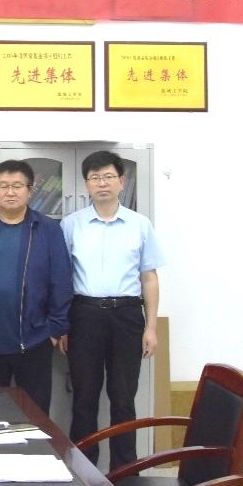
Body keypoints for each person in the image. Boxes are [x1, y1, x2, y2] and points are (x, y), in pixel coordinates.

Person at [61, 150, 165, 468]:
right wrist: (62, 326)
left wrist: (151, 327)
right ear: (86, 184)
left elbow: (149, 278)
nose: (102, 183)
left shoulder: (140, 225)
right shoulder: (71, 225)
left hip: (127, 316)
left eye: (108, 176)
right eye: (95, 178)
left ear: (122, 181)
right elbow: (61, 278)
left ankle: (125, 472)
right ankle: (83, 470)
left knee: (123, 398)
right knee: (84, 397)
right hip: (84, 316)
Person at [0, 159, 73, 415]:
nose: (10, 192)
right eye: (3, 186)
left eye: (17, 186)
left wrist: (54, 330)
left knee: (35, 414)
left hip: (35, 340)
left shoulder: (47, 229)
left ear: (29, 190)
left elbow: (61, 280)